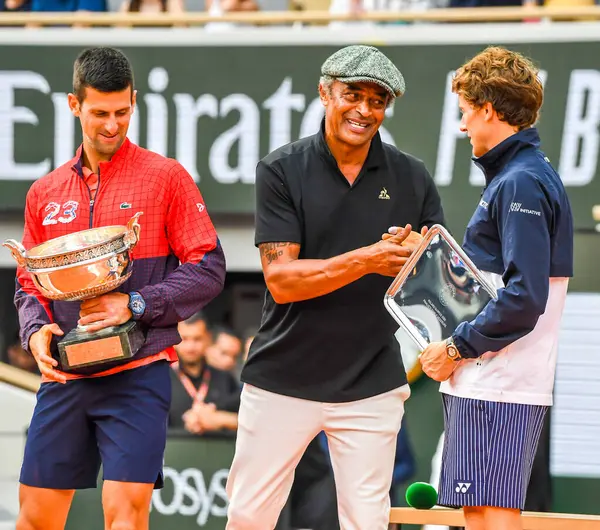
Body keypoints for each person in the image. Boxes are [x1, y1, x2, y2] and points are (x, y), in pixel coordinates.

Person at [225, 44, 445, 530]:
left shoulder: (412, 176)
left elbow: (435, 274)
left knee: (367, 521)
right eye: (354, 95)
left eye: (378, 100)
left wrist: (412, 254)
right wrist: (368, 259)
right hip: (282, 376)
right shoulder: (281, 170)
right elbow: (281, 281)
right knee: (248, 516)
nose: (365, 111)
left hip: (371, 382)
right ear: (325, 93)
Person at [13, 47, 226, 530]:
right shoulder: (43, 193)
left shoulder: (166, 177)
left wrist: (134, 302)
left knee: (126, 519)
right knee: (34, 521)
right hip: (65, 377)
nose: (113, 125)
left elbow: (209, 267)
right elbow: (29, 280)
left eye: (123, 112)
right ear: (74, 105)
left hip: (138, 373)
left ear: (133, 102)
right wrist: (36, 331)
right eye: (100, 113)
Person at [418, 46, 573, 530]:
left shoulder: (521, 182)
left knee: (492, 520)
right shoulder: (518, 177)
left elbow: (525, 297)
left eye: (465, 112)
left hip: (499, 383)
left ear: (488, 109)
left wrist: (456, 348)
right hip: (492, 383)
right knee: (479, 518)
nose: (462, 126)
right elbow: (497, 281)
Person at [169, 312, 241, 436]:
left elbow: (247, 422)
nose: (190, 347)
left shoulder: (224, 378)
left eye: (197, 339)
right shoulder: (161, 378)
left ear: (208, 338)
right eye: (184, 339)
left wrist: (219, 419)